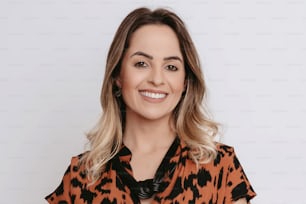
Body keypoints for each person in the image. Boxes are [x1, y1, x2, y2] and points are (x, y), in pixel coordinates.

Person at [45, 7, 256, 204]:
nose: (157, 79)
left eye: (171, 66)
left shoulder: (220, 167)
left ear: (185, 82)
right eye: (141, 64)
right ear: (118, 75)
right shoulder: (82, 175)